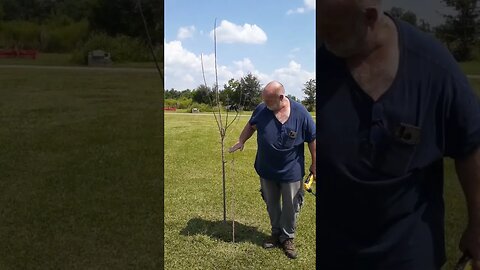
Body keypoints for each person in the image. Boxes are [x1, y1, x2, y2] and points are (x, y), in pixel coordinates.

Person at [317, 0, 480, 269]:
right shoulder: (322, 63)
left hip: (408, 253)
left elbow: (471, 145)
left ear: (369, 17)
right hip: (334, 251)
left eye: (333, 30)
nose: (323, 38)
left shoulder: (432, 66)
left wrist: (477, 224)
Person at [229, 81, 316, 259]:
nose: (266, 105)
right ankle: (276, 233)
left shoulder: (301, 113)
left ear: (282, 97)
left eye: (269, 102)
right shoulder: (262, 109)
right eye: (265, 101)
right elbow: (251, 125)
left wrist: (316, 163)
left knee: (291, 206)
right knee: (272, 204)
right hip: (266, 169)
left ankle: (287, 237)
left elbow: (313, 139)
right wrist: (241, 140)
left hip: (291, 171)